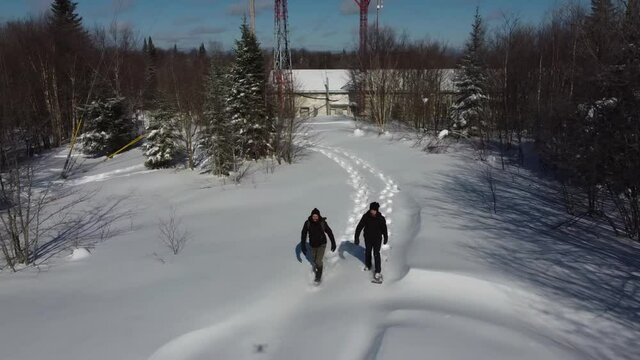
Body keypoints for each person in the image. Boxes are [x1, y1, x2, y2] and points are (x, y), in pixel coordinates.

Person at [300, 208, 337, 283]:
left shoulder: (322, 223)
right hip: (313, 245)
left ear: (319, 216)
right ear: (311, 216)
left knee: (318, 260)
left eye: (316, 216)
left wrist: (333, 242)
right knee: (314, 260)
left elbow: (329, 232)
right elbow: (303, 234)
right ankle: (317, 267)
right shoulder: (308, 223)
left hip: (322, 244)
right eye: (313, 216)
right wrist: (303, 245)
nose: (315, 218)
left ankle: (318, 276)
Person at [354, 202, 388, 282]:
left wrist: (385, 237)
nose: (372, 211)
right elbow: (359, 227)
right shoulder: (366, 217)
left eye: (374, 210)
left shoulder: (381, 218)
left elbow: (384, 229)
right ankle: (368, 265)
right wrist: (356, 237)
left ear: (377, 210)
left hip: (377, 239)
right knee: (368, 251)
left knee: (376, 253)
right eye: (371, 210)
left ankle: (377, 271)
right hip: (368, 238)